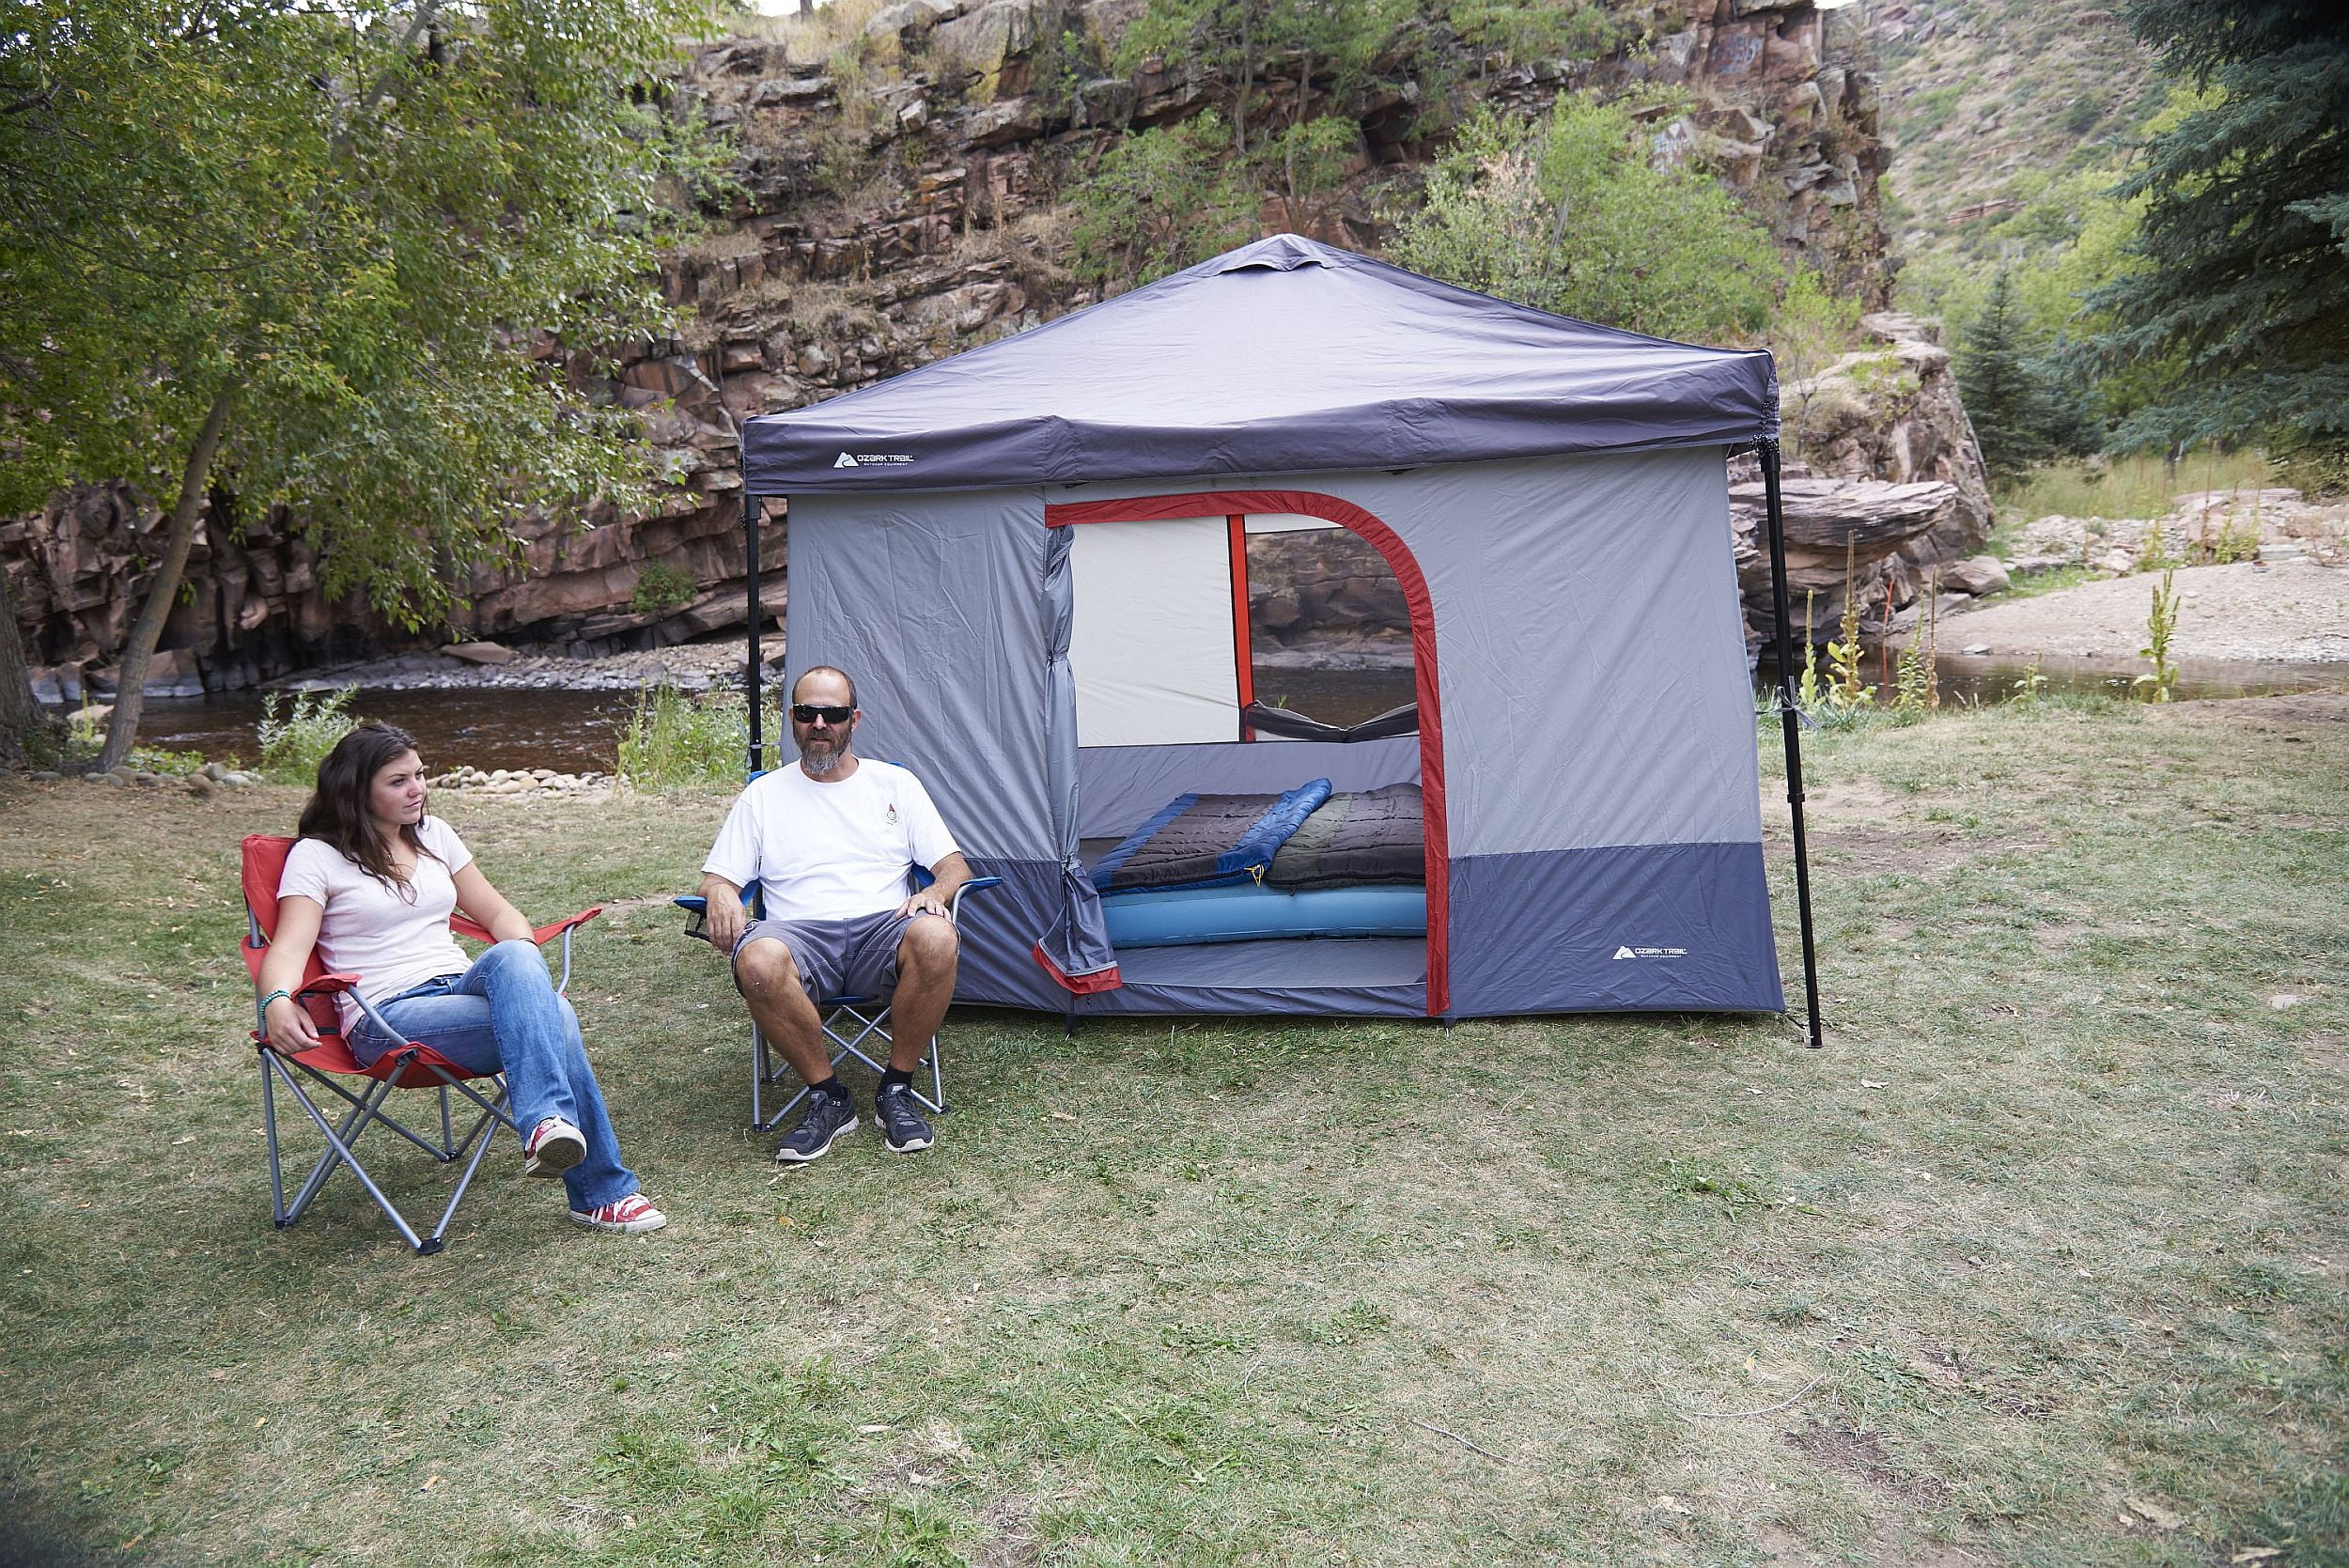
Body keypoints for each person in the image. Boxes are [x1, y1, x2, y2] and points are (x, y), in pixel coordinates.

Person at [256, 721, 666, 1234]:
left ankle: (548, 1124)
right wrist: (276, 1000)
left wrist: (522, 953)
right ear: (355, 790)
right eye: (398, 781)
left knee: (515, 952)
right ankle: (599, 1190)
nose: (417, 789)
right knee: (557, 1014)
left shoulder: (434, 835)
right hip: (387, 1016)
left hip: (460, 985)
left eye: (419, 774)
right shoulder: (318, 857)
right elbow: (288, 948)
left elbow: (500, 914)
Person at [697, 665, 970, 1163]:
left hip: (884, 929)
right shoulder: (763, 795)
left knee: (937, 936)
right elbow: (719, 877)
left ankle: (897, 1087)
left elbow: (953, 866)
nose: (820, 723)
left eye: (834, 713)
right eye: (807, 712)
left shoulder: (896, 784)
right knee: (757, 962)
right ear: (792, 719)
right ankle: (829, 1096)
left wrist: (937, 891)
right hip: (796, 936)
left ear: (854, 720)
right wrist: (718, 893)